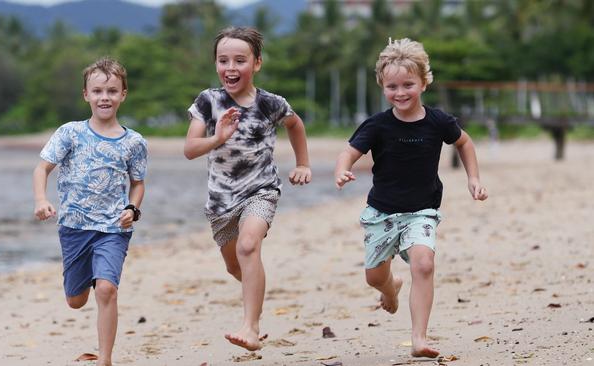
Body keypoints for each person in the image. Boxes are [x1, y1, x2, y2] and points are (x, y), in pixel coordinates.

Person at [334, 38, 488, 358]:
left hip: (422, 211)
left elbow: (465, 143)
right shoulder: (377, 125)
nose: (400, 92)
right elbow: (349, 151)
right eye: (392, 86)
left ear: (423, 83)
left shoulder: (438, 121)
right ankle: (390, 288)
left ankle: (419, 338)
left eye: (408, 84)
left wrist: (473, 179)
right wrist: (342, 170)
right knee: (374, 276)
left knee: (424, 263)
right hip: (382, 212)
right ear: (382, 85)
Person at [184, 26, 311, 351]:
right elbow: (191, 148)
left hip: (261, 190)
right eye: (223, 60)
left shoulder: (271, 103)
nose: (231, 67)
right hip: (221, 200)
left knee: (248, 246)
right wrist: (218, 138)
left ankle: (250, 327)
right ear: (215, 64)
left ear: (256, 63)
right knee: (234, 265)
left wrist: (302, 163)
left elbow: (295, 125)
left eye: (240, 60)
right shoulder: (208, 101)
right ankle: (255, 295)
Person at [32, 57, 147, 366]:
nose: (104, 97)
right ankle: (84, 281)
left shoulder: (134, 142)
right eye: (97, 91)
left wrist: (133, 208)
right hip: (73, 228)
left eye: (112, 91)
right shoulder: (69, 133)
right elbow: (42, 169)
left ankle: (105, 359)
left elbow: (137, 184)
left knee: (107, 290)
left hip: (113, 228)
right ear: (86, 95)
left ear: (123, 94)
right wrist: (41, 200)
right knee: (75, 300)